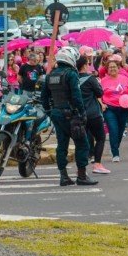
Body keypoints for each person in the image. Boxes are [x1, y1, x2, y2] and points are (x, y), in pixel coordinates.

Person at [40, 47, 97, 187]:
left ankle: (64, 176)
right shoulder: (71, 74)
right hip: (72, 115)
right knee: (83, 144)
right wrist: (82, 113)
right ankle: (82, 175)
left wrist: (49, 111)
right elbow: (77, 96)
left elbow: (44, 98)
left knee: (62, 145)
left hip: (57, 114)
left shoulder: (50, 75)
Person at [77, 56, 109, 175]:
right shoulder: (90, 79)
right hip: (93, 113)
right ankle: (97, 164)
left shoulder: (73, 78)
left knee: (82, 140)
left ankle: (81, 167)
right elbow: (100, 93)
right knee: (100, 138)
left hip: (79, 114)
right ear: (85, 65)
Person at [100, 55, 128, 163]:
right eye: (110, 67)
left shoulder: (125, 79)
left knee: (120, 131)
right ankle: (115, 153)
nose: (113, 69)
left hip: (124, 109)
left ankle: (115, 146)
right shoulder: (103, 81)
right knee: (113, 130)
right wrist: (102, 104)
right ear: (107, 70)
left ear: (118, 68)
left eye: (114, 67)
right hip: (110, 109)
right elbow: (98, 95)